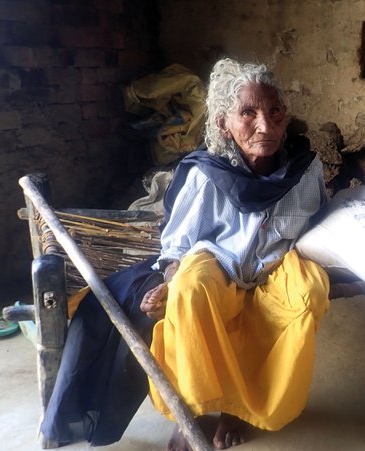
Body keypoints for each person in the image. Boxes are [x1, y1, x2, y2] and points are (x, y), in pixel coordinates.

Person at [40, 58, 330, 450]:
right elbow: (178, 243)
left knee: (309, 291)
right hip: (221, 265)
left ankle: (239, 408)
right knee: (189, 292)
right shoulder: (206, 175)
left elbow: (323, 223)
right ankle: (190, 410)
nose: (266, 125)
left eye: (274, 111)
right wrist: (169, 279)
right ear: (223, 123)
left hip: (276, 264)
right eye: (249, 113)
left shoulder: (305, 170)